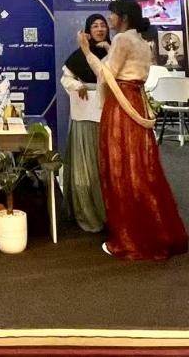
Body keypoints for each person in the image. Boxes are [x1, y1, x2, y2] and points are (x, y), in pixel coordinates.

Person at [78, 0, 188, 260]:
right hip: (136, 101)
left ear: (123, 17)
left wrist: (86, 51)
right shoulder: (140, 41)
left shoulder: (122, 39)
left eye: (112, 15)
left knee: (121, 168)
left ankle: (131, 236)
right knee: (142, 167)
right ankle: (155, 229)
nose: (109, 20)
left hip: (121, 107)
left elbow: (107, 74)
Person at [60, 13, 110, 233]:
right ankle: (87, 211)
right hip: (84, 116)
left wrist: (110, 50)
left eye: (103, 25)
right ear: (88, 31)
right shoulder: (79, 55)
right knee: (85, 166)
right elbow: (66, 78)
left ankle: (110, 213)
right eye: (95, 26)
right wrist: (77, 86)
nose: (99, 29)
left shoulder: (114, 52)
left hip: (108, 115)